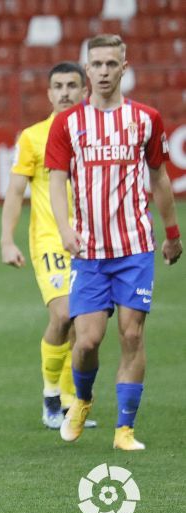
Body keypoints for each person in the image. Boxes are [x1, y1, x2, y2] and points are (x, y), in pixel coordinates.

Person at [46, 34, 182, 450]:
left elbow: (159, 177)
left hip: (135, 247)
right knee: (86, 340)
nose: (104, 71)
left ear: (124, 67)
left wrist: (173, 233)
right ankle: (83, 399)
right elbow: (56, 181)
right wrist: (66, 229)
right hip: (89, 251)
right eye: (97, 64)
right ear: (87, 70)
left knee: (132, 335)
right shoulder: (68, 123)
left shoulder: (146, 119)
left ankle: (125, 430)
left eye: (111, 64)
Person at [0, 62, 97, 430]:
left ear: (85, 91)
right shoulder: (32, 137)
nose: (65, 92)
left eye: (72, 85)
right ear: (48, 93)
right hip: (50, 241)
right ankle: (51, 399)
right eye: (58, 86)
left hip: (93, 243)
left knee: (83, 325)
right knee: (63, 315)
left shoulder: (96, 133)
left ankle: (71, 401)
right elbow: (15, 192)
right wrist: (7, 240)